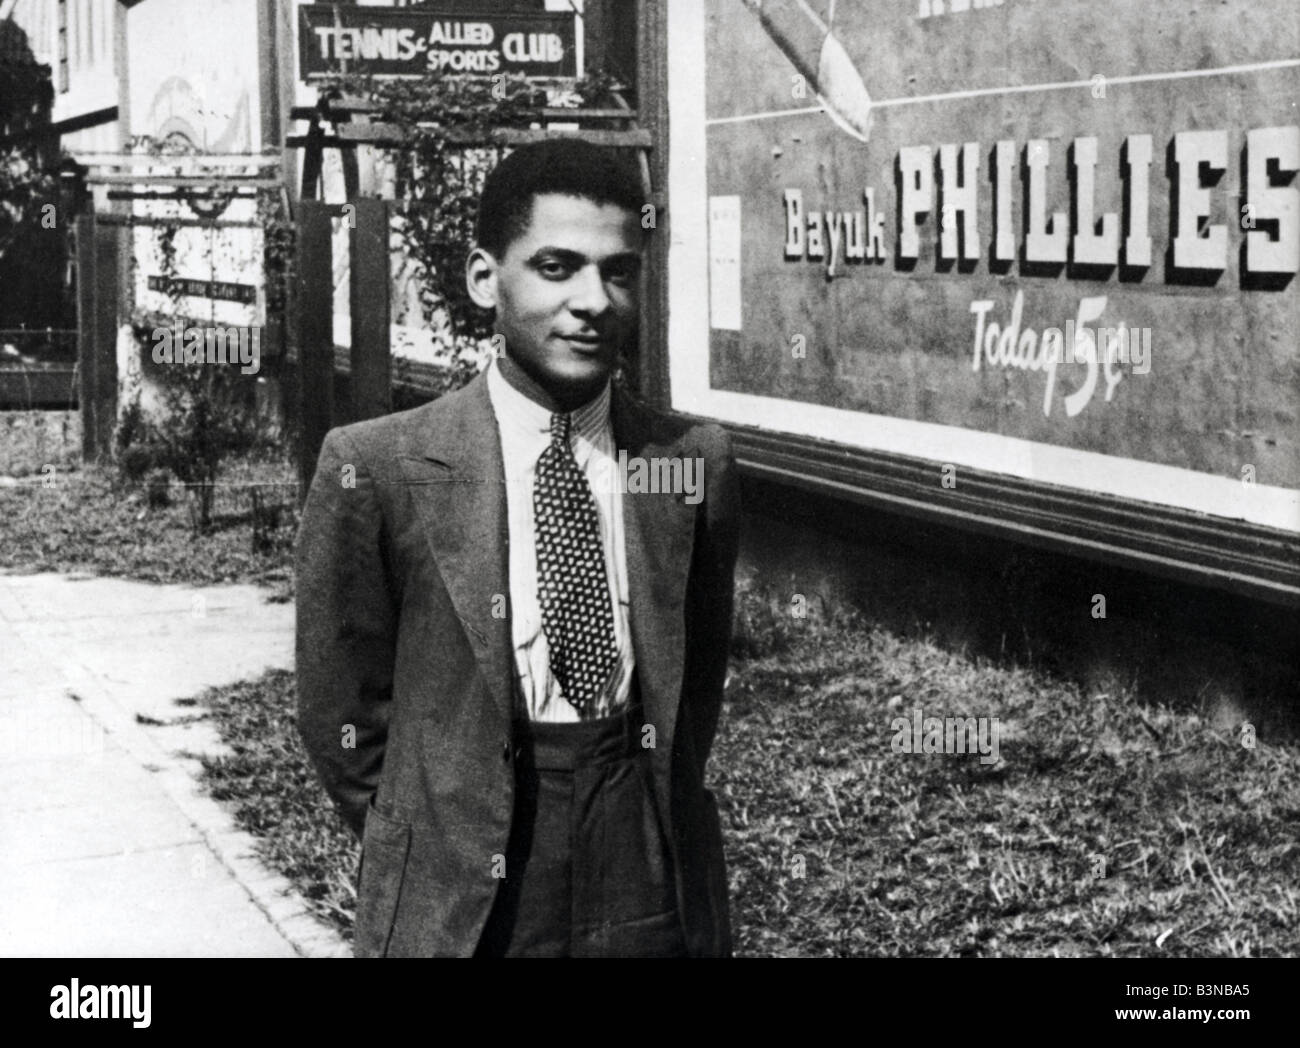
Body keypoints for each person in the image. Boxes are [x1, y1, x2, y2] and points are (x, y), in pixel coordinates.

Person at [295, 138, 741, 957]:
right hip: (470, 882)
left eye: (618, 272)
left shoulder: (689, 462)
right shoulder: (380, 467)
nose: (593, 301)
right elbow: (341, 713)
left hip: (641, 854)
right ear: (482, 280)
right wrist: (433, 838)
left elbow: (695, 683)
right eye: (557, 266)